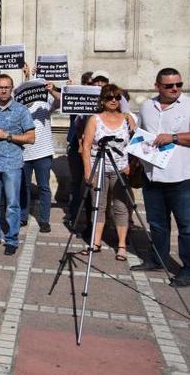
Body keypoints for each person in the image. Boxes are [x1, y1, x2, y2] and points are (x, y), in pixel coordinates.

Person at [131, 69, 190, 287]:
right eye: (169, 86)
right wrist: (135, 159)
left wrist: (173, 137)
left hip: (181, 177)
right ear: (158, 86)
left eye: (178, 84)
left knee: (186, 227)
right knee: (156, 223)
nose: (175, 89)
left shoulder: (188, 105)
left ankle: (188, 269)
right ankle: (158, 259)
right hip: (152, 175)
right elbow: (140, 135)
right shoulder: (147, 106)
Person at [0, 74, 35, 256]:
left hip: (12, 163)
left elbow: (31, 138)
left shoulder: (21, 110)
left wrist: (7, 136)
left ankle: (11, 239)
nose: (3, 90)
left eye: (7, 87)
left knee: (12, 204)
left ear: (12, 89)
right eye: (0, 87)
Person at [80, 84, 134, 261]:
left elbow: (136, 144)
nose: (113, 100)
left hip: (120, 169)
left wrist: (131, 164)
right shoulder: (95, 119)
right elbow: (86, 146)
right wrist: (89, 171)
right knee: (99, 206)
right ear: (102, 100)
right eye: (110, 97)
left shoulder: (128, 118)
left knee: (120, 206)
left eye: (117, 97)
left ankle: (122, 245)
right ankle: (96, 242)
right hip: (100, 168)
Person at [19, 64, 61, 233]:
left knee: (44, 187)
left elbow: (61, 101)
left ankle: (44, 220)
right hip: (23, 152)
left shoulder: (44, 103)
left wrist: (51, 89)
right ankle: (23, 217)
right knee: (24, 186)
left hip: (43, 152)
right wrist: (27, 77)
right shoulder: (19, 105)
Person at [65, 71, 94, 226]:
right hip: (76, 144)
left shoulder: (100, 100)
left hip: (94, 146)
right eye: (87, 83)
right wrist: (67, 90)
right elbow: (60, 100)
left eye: (92, 83)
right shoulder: (76, 98)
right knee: (76, 182)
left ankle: (91, 219)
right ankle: (74, 216)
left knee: (92, 182)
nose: (90, 86)